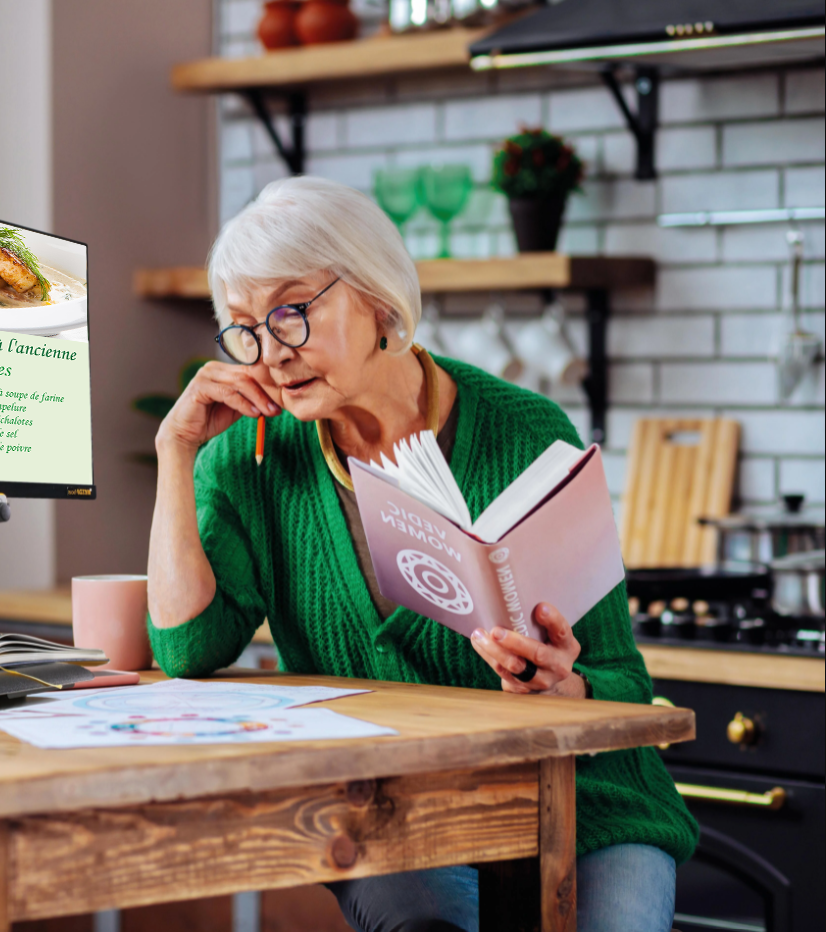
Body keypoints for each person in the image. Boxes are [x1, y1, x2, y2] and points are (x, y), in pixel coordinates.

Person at [145, 176, 696, 932]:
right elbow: (186, 648)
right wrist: (176, 453)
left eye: (292, 313)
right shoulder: (250, 456)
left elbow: (623, 683)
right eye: (244, 327)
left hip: (584, 795)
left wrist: (560, 691)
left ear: (377, 299)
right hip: (398, 810)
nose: (270, 353)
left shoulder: (525, 431)